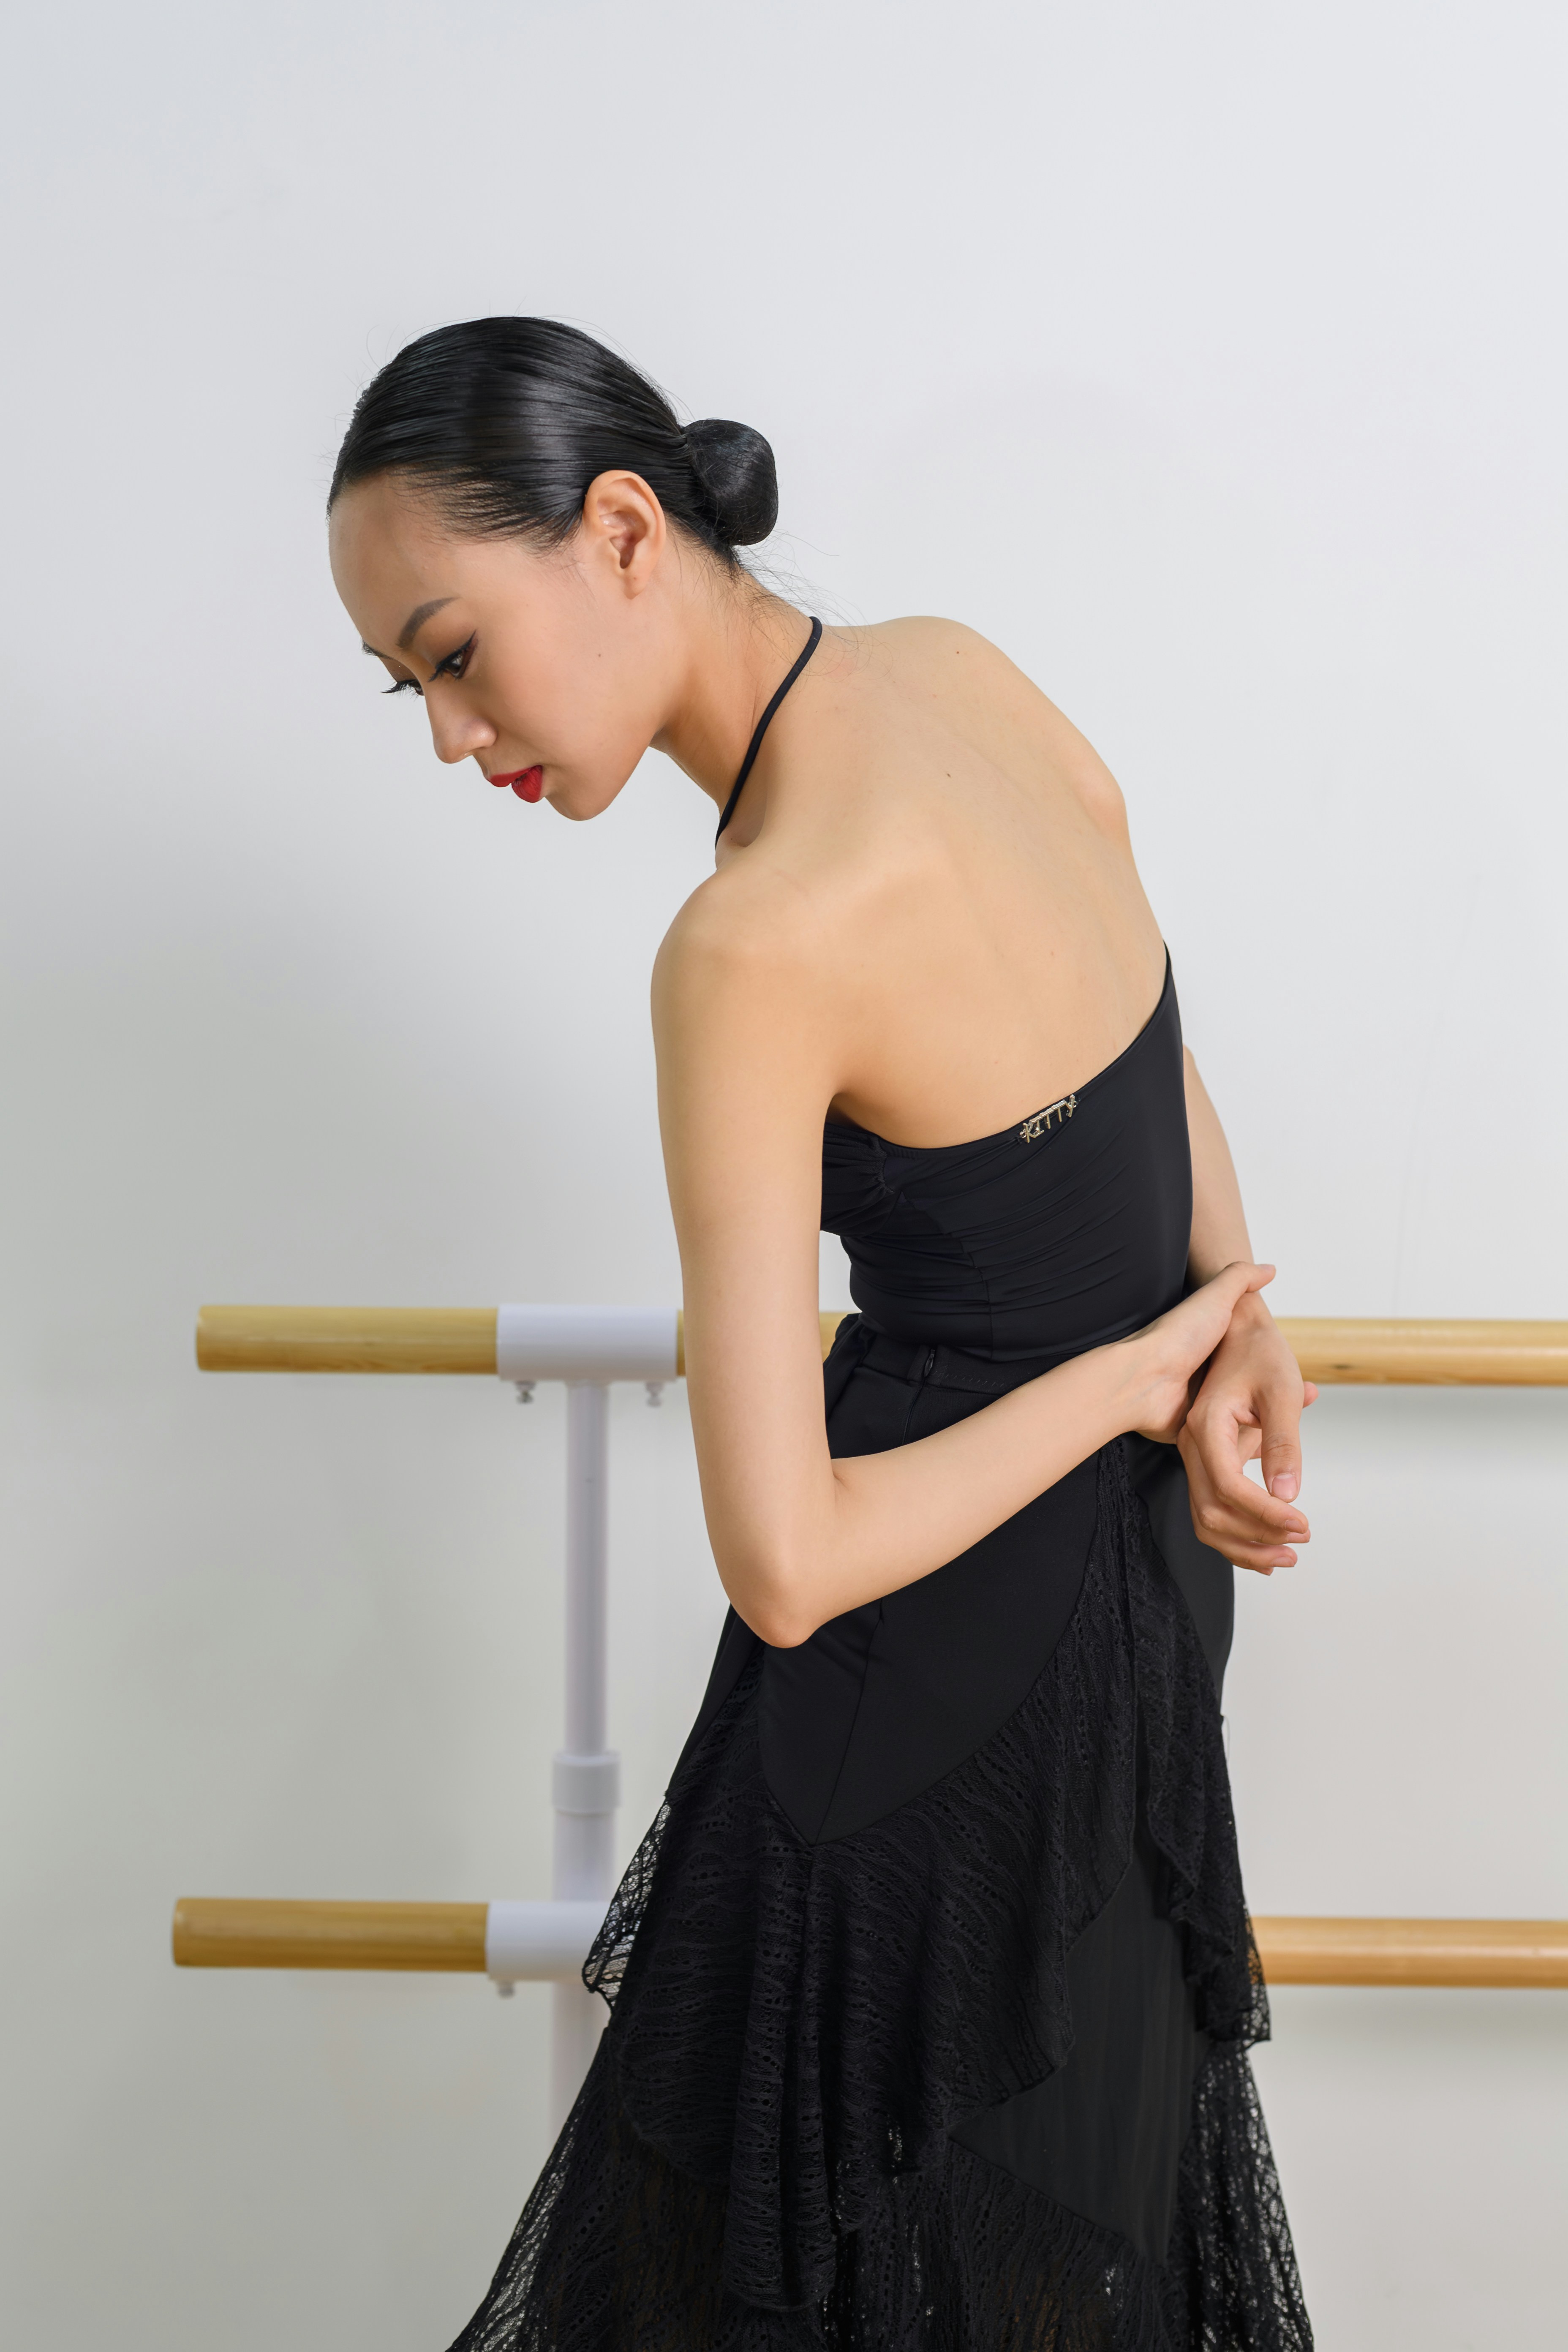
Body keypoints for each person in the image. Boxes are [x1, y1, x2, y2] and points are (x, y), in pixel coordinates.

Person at [328, 318, 1315, 2351]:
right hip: (1128, 1652)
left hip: (923, 1733)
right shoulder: (962, 676)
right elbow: (1146, 1013)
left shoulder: (752, 942)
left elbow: (786, 1566)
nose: (449, 736)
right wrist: (1232, 1316)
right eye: (407, 690)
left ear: (620, 532)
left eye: (450, 653)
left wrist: (1166, 1362)